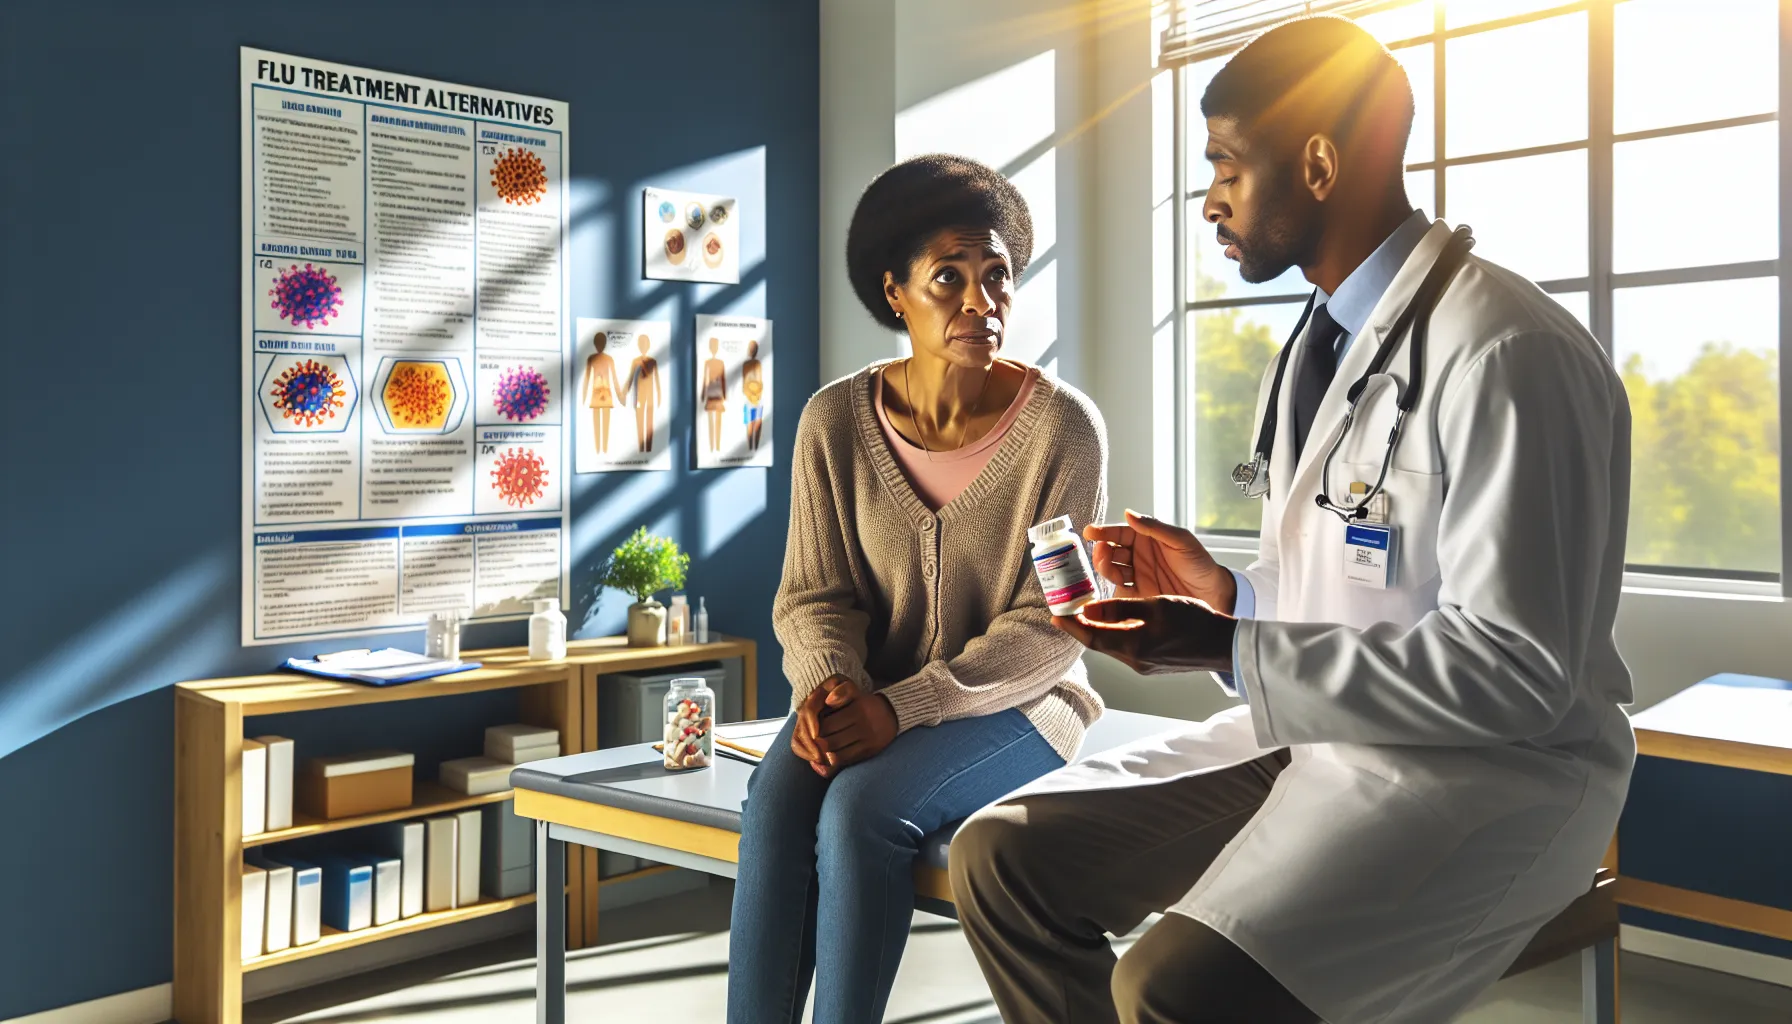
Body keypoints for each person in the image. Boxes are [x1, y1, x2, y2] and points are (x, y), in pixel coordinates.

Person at [951, 17, 1635, 1024]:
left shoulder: (1505, 353)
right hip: (1328, 729)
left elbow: (1518, 673)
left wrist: (1228, 644)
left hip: (1492, 776)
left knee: (1172, 986)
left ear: (1317, 162)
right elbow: (1355, 587)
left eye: (1226, 166)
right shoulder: (1322, 343)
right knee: (998, 856)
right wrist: (1223, 592)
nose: (1209, 201)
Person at [727, 154, 1108, 1024]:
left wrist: (907, 707)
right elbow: (814, 594)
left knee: (860, 811)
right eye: (950, 279)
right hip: (866, 696)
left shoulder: (1063, 429)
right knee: (779, 798)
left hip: (1020, 703)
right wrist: (830, 683)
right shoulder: (833, 421)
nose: (983, 303)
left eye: (997, 277)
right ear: (894, 292)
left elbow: (1056, 627)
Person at [581, 331, 622, 455]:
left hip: (605, 392)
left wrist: (620, 395)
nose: (600, 346)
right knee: (598, 422)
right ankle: (599, 449)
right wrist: (583, 396)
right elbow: (587, 378)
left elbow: (614, 378)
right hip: (598, 392)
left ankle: (603, 449)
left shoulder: (606, 359)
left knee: (604, 423)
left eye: (601, 343)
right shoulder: (593, 358)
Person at [626, 333, 661, 453]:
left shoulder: (652, 361)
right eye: (641, 344)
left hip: (650, 396)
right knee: (640, 420)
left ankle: (649, 448)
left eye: (645, 344)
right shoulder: (635, 361)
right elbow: (630, 378)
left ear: (648, 345)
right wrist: (625, 392)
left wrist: (659, 394)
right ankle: (641, 448)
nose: (643, 346)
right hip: (639, 396)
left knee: (649, 422)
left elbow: (656, 379)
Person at [703, 336, 728, 453]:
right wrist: (703, 393)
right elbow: (705, 379)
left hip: (717, 393)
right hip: (712, 393)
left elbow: (723, 379)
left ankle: (717, 446)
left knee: (717, 420)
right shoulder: (708, 363)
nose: (714, 348)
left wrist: (725, 394)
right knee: (711, 421)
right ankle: (712, 446)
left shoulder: (720, 363)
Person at [742, 339, 765, 451]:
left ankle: (753, 447)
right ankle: (752, 447)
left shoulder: (755, 364)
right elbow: (753, 382)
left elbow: (757, 382)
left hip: (754, 397)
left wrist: (754, 394)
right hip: (752, 397)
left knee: (755, 422)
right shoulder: (752, 364)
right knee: (751, 423)